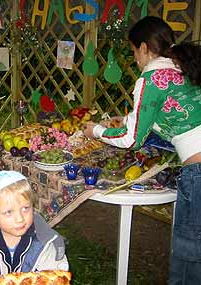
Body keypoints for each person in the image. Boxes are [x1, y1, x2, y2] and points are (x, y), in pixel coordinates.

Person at [83, 16, 201, 284]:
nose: (135, 57)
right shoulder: (183, 67)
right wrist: (126, 119)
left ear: (145, 48)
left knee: (189, 255)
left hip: (198, 172)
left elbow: (131, 139)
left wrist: (97, 131)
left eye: (134, 50)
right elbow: (174, 114)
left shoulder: (151, 78)